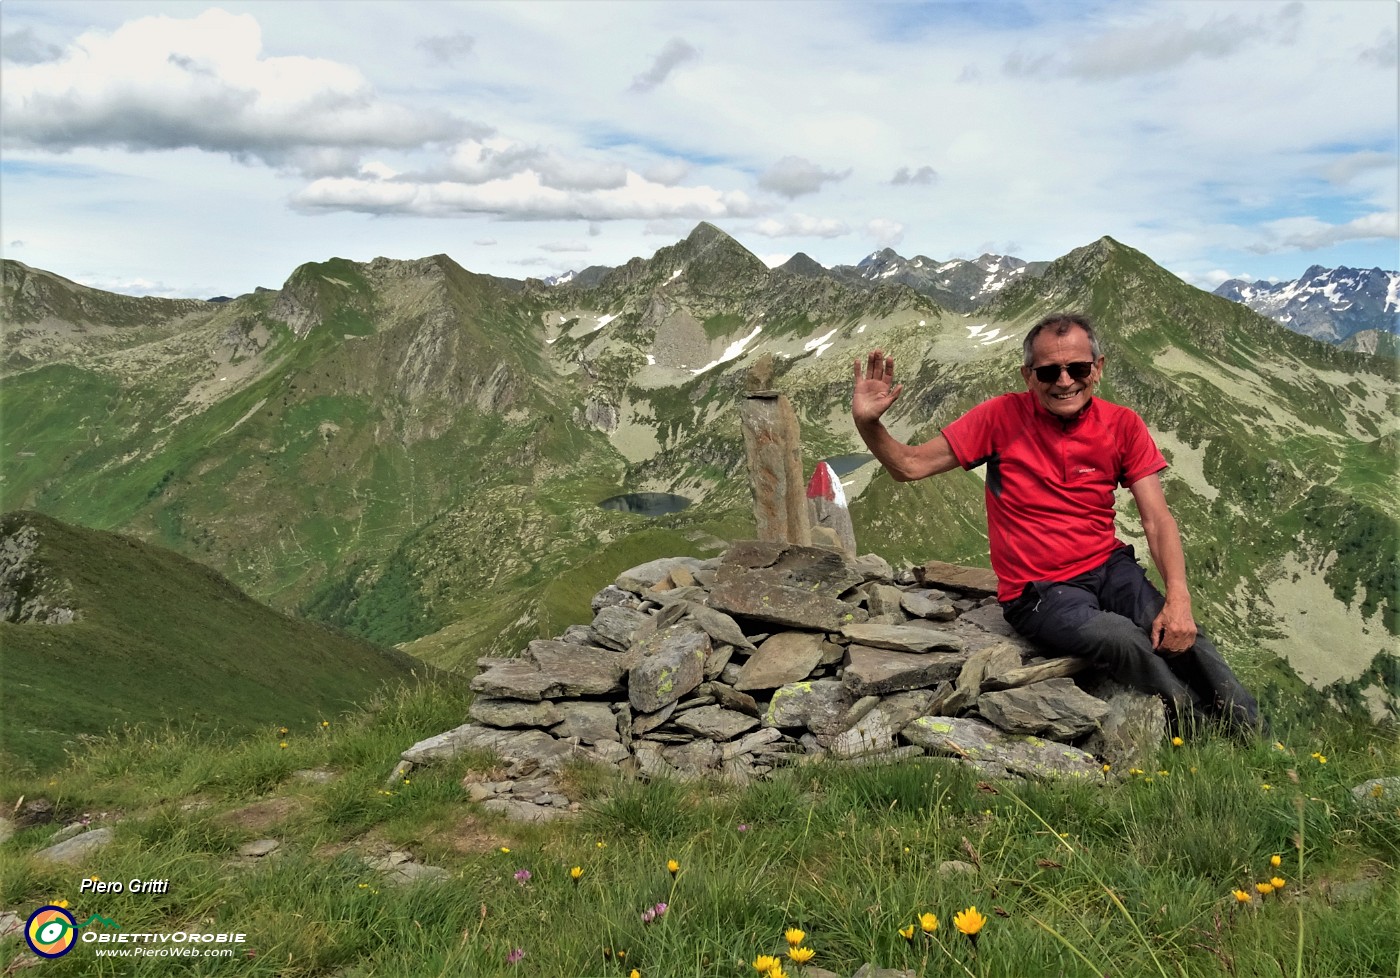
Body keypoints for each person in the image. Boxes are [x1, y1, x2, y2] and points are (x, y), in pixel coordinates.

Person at [851, 312, 1260, 735]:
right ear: (1029, 376)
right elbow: (910, 466)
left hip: (1109, 566)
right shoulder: (1000, 417)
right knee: (1120, 637)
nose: (1065, 381)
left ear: (1097, 369)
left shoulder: (1123, 425)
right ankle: (1198, 731)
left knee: (1179, 628)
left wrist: (1179, 597)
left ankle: (1254, 737)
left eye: (1078, 368)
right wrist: (869, 423)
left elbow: (1156, 519)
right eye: (1049, 371)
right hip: (1037, 591)